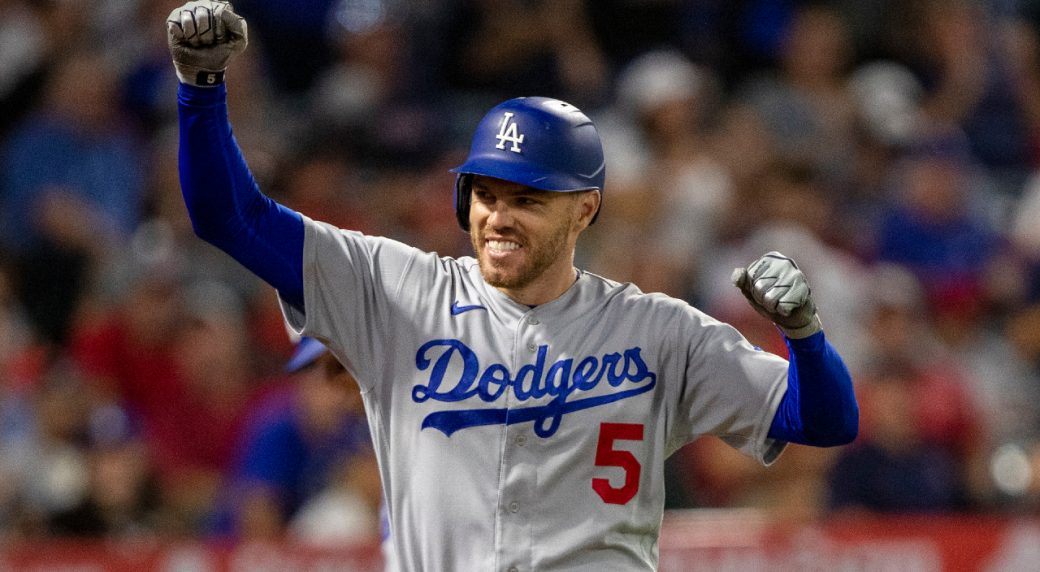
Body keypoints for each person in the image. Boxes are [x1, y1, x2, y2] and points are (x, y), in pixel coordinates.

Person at [166, 2, 858, 570]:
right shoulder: (396, 291)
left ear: (584, 209)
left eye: (528, 200)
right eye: (485, 195)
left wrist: (805, 337)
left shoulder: (660, 331)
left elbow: (822, 420)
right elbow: (230, 217)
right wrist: (201, 91)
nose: (498, 216)